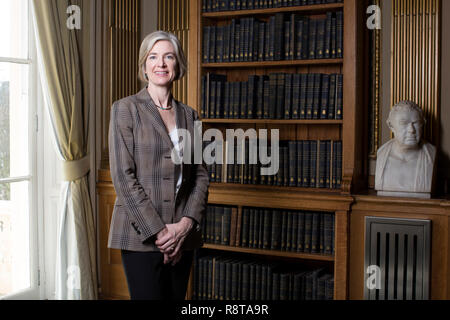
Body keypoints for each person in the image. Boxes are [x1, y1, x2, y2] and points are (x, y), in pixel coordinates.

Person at [108, 31, 209, 300]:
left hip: (182, 237)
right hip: (139, 235)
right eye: (153, 57)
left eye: (168, 57)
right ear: (144, 66)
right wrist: (162, 233)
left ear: (178, 65)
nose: (160, 64)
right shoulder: (125, 109)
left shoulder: (190, 116)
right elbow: (123, 177)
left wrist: (184, 227)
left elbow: (200, 175)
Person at [375, 100, 436, 198]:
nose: (411, 130)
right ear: (391, 125)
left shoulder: (431, 155)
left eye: (416, 123)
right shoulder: (382, 154)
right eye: (403, 123)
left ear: (423, 123)